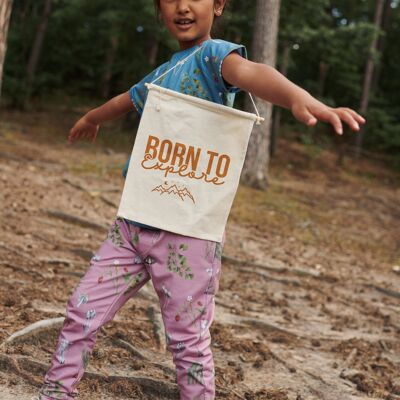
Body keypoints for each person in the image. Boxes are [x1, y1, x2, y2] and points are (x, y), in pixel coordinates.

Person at [39, 0, 366, 399]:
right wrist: (92, 118)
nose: (182, 6)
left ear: (218, 4)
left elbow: (251, 73)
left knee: (188, 341)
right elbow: (127, 98)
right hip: (133, 223)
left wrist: (299, 97)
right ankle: (56, 391)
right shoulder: (163, 73)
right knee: (81, 310)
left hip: (189, 234)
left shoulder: (215, 57)